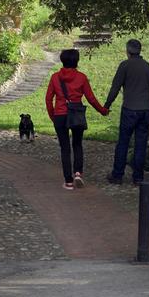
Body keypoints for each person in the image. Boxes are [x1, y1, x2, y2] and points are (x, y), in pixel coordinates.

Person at [46, 48, 109, 190]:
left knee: (65, 148)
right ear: (77, 61)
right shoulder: (81, 77)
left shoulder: (55, 77)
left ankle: (68, 181)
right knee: (77, 144)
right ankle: (78, 173)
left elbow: (48, 99)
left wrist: (53, 116)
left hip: (60, 115)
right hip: (76, 114)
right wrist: (102, 111)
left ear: (62, 60)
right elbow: (91, 98)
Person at [105, 38, 149, 186]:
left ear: (127, 51)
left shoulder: (125, 66)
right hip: (145, 110)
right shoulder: (148, 67)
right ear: (140, 50)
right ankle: (138, 177)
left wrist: (107, 105)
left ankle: (117, 175)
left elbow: (115, 88)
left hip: (130, 109)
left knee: (123, 142)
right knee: (140, 144)